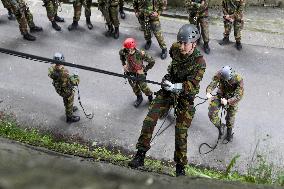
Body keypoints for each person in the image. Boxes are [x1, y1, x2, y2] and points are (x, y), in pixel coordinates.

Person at [128, 24, 206, 176]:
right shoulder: (175, 48)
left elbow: (192, 85)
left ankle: (180, 167)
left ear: (194, 44)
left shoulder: (199, 63)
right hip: (168, 89)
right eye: (180, 42)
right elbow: (172, 65)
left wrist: (176, 86)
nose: (182, 46)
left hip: (185, 96)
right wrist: (168, 80)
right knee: (149, 119)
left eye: (185, 43)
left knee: (181, 132)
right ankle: (140, 154)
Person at [206, 66, 244, 141]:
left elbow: (238, 96)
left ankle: (229, 133)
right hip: (221, 95)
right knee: (211, 113)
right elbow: (213, 84)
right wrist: (208, 93)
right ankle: (220, 127)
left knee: (230, 117)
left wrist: (228, 101)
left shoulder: (238, 79)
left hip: (232, 99)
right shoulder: (219, 74)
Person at [119, 38, 155, 107]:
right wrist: (124, 64)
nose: (128, 50)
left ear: (133, 47)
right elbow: (121, 54)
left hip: (139, 73)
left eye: (129, 49)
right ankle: (139, 98)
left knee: (144, 87)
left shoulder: (140, 53)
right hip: (130, 73)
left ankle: (150, 97)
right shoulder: (124, 51)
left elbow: (152, 61)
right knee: (134, 87)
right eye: (127, 49)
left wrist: (144, 70)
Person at [48, 53, 80, 123]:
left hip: (59, 89)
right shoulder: (64, 72)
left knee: (66, 100)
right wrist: (76, 75)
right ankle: (69, 118)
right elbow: (74, 82)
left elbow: (50, 73)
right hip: (66, 91)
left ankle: (70, 108)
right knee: (69, 101)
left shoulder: (51, 69)